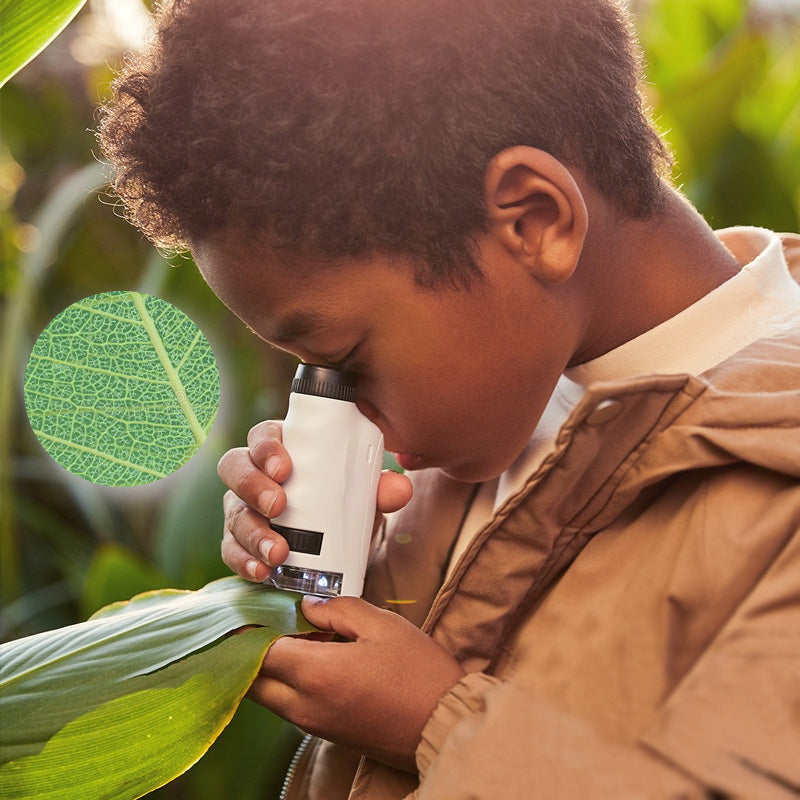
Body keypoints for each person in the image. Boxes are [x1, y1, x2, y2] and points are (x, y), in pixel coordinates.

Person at [99, 0, 800, 797]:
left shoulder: (777, 479)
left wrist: (436, 722)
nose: (339, 410)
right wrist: (343, 571)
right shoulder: (508, 393)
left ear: (534, 219)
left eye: (343, 360)